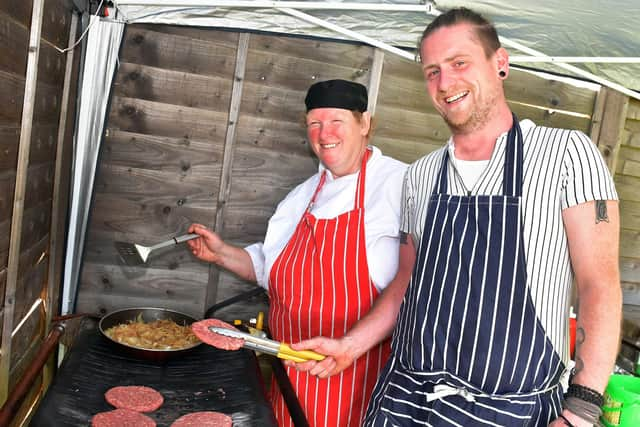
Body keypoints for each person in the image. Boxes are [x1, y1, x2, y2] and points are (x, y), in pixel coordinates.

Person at [290, 8, 621, 427]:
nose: (445, 83)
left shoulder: (566, 155)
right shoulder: (422, 175)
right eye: (432, 72)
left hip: (510, 410)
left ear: (499, 63)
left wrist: (581, 411)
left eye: (459, 63)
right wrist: (350, 346)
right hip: (405, 400)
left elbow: (600, 286)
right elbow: (406, 282)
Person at [187, 79, 407, 427]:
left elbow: (417, 284)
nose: (324, 133)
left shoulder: (401, 186)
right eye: (314, 124)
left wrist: (351, 347)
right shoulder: (302, 196)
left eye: (336, 121)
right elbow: (268, 269)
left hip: (357, 383)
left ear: (364, 124)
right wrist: (221, 254)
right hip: (291, 375)